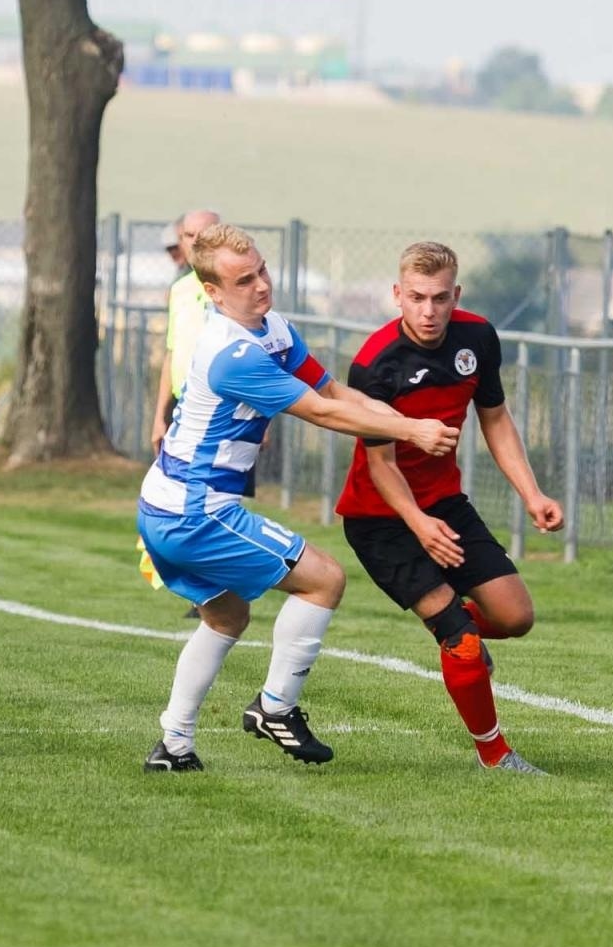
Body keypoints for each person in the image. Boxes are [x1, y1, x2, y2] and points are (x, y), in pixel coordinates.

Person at [138, 225, 458, 773]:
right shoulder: (232, 353)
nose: (262, 285)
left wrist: (405, 421)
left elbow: (332, 390)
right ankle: (275, 707)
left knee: (226, 618)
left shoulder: (274, 329)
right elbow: (322, 412)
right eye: (244, 280)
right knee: (325, 579)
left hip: (166, 506)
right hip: (195, 512)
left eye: (262, 270)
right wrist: (411, 432)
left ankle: (173, 746)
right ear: (213, 293)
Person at [336, 241, 564, 774]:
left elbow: (495, 418)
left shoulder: (477, 337)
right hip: (381, 520)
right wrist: (418, 524)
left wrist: (532, 494)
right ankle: (495, 754)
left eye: (440, 298)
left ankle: (455, 626)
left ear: (455, 295)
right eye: (417, 298)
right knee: (461, 644)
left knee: (515, 617)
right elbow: (381, 465)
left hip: (445, 504)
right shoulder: (374, 364)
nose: (428, 311)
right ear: (397, 294)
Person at [150, 209, 219, 455]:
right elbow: (172, 352)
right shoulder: (179, 290)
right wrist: (159, 417)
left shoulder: (235, 289)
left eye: (204, 234)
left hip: (222, 408)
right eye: (189, 235)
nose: (196, 242)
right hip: (182, 406)